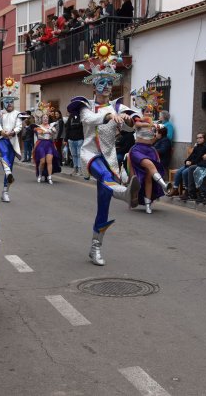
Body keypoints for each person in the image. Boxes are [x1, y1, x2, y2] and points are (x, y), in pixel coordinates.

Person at [68, 40, 140, 265]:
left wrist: (129, 121)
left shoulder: (118, 106)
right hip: (90, 155)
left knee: (103, 205)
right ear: (94, 84)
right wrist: (108, 117)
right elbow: (89, 120)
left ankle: (95, 246)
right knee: (107, 179)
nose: (106, 86)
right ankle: (126, 194)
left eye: (109, 82)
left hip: (109, 158)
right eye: (102, 82)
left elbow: (129, 124)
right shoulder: (84, 106)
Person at [127, 89, 173, 214]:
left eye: (151, 112)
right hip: (138, 150)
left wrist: (158, 130)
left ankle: (148, 205)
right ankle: (164, 185)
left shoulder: (157, 124)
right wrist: (152, 125)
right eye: (147, 111)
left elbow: (157, 137)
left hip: (150, 150)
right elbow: (138, 126)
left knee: (148, 177)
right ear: (142, 112)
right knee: (147, 168)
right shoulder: (138, 122)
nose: (149, 113)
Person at [0, 77, 23, 203]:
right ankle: (8, 172)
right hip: (1, 139)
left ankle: (5, 192)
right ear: (4, 102)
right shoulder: (0, 113)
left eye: (11, 102)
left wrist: (13, 132)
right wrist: (2, 132)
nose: (9, 104)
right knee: (4, 155)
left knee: (9, 164)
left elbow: (19, 126)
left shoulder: (18, 114)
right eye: (7, 102)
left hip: (12, 142)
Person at [172, 132, 206, 198]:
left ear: (205, 139)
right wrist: (187, 161)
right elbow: (190, 156)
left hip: (197, 165)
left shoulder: (205, 147)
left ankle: (187, 190)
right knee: (179, 171)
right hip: (190, 164)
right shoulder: (197, 147)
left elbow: (199, 158)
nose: (198, 139)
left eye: (200, 138)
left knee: (185, 172)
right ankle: (175, 189)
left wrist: (191, 162)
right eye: (197, 138)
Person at [31, 108, 61, 184]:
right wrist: (46, 131)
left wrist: (52, 130)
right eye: (44, 118)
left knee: (49, 161)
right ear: (41, 119)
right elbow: (38, 132)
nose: (45, 119)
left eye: (46, 118)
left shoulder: (52, 126)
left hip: (49, 145)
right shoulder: (38, 127)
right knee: (42, 162)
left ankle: (50, 177)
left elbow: (54, 132)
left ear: (48, 119)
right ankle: (40, 175)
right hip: (41, 144)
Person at [65, 110, 84, 176]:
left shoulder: (82, 116)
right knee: (73, 155)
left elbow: (84, 128)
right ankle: (75, 169)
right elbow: (67, 128)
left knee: (79, 155)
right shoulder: (71, 117)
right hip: (71, 139)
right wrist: (66, 139)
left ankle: (79, 170)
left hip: (79, 139)